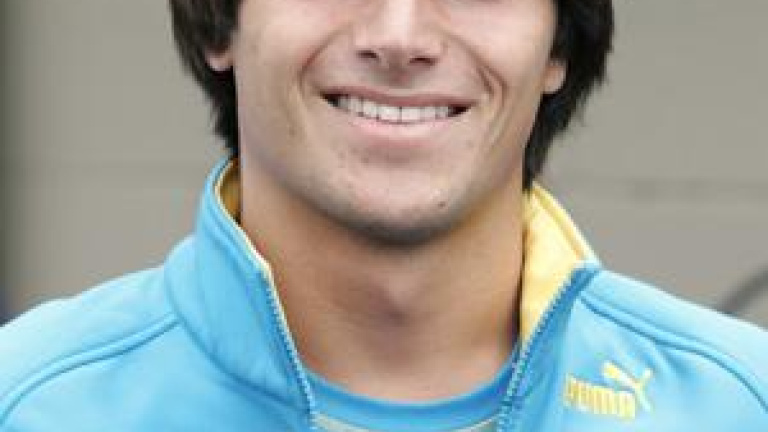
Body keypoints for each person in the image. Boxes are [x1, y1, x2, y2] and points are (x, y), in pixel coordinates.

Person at [1, 0, 766, 430]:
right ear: (220, 25)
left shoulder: (742, 406)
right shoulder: (27, 403)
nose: (400, 38)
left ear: (557, 44)